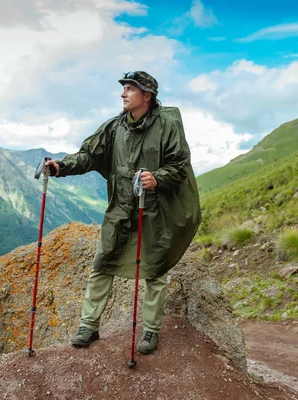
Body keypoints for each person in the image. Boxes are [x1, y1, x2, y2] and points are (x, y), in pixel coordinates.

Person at [45, 71, 201, 355]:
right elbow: (89, 155)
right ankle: (88, 326)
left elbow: (180, 164)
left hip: (155, 209)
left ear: (147, 95)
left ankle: (151, 330)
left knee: (155, 268)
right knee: (103, 262)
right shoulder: (115, 127)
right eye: (124, 88)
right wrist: (62, 166)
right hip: (121, 206)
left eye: (130, 89)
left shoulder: (167, 125)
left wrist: (158, 177)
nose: (123, 93)